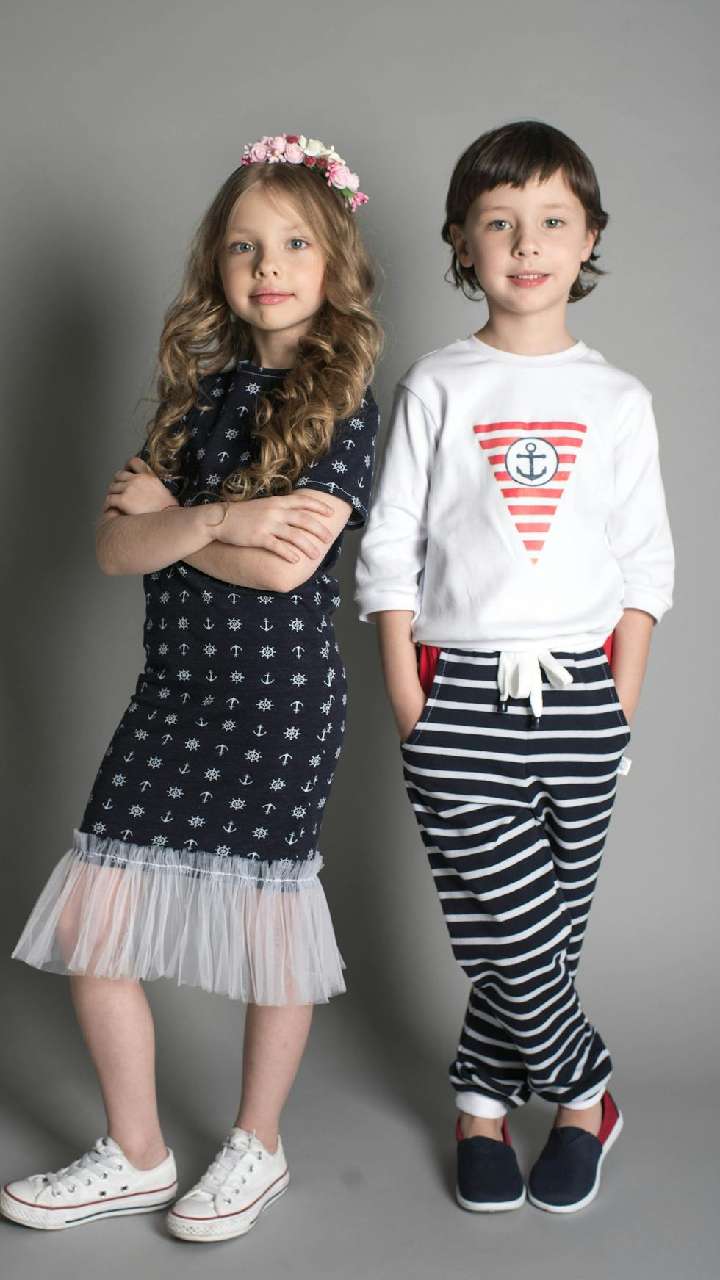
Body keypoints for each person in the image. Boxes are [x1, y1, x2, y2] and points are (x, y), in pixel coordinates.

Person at [3, 133, 381, 1243]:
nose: (269, 266)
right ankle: (135, 1150)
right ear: (217, 265)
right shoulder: (191, 400)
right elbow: (114, 547)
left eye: (294, 243)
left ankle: (257, 1143)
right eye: (243, 246)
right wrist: (219, 516)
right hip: (171, 696)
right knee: (96, 926)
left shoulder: (347, 400)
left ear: (332, 258)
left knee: (271, 931)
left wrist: (174, 524)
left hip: (280, 704)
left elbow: (288, 567)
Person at [355, 120, 673, 1215]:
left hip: (582, 694)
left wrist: (618, 705)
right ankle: (586, 1091)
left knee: (545, 932)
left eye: (551, 220)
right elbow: (388, 551)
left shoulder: (618, 400)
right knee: (508, 921)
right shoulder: (439, 385)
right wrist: (411, 698)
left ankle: (482, 1104)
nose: (526, 243)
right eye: (499, 222)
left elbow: (646, 567)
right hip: (458, 693)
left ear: (589, 239)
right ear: (461, 240)